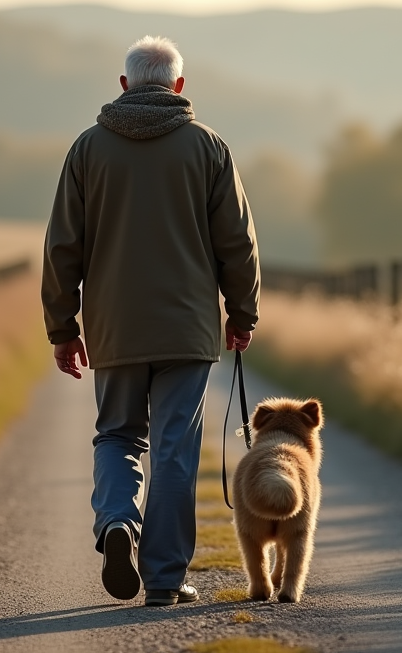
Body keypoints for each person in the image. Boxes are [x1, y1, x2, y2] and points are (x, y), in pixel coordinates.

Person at [41, 35, 260, 607]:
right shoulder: (208, 147)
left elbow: (63, 244)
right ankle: (164, 579)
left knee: (117, 435)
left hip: (114, 325)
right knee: (173, 449)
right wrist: (242, 313)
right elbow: (237, 243)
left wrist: (63, 327)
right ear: (179, 87)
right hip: (187, 329)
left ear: (124, 86)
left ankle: (118, 523)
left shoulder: (88, 149)